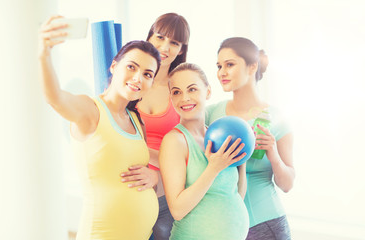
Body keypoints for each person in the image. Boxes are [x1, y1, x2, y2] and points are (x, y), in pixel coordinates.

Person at [38, 15, 161, 240]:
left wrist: (155, 177)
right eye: (131, 67)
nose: (138, 78)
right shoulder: (91, 110)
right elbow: (55, 98)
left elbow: (155, 163)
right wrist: (44, 53)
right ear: (114, 66)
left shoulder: (135, 119)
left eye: (147, 74)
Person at [206, 37, 295, 240]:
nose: (222, 72)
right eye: (219, 66)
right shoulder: (210, 114)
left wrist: (273, 154)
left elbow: (287, 184)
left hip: (265, 224)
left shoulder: (277, 119)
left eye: (230, 64)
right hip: (224, 226)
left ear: (252, 66)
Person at [159, 63, 250, 240]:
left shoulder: (219, 136)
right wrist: (213, 168)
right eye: (177, 92)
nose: (184, 98)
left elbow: (234, 195)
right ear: (171, 98)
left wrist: (241, 159)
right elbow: (177, 210)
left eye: (192, 89)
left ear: (207, 91)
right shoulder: (175, 141)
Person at [119, 13, 190, 240]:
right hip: (126, 193)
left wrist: (157, 173)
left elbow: (188, 152)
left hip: (165, 200)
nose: (165, 47)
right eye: (159, 37)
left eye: (174, 43)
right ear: (149, 37)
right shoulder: (130, 83)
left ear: (181, 49)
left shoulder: (180, 89)